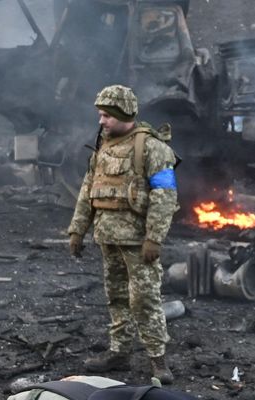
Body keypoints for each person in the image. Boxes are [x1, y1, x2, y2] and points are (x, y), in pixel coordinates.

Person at [67, 85, 180, 384]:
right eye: (100, 115)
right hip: (108, 237)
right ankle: (119, 352)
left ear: (124, 113)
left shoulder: (153, 148)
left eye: (107, 115)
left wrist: (154, 238)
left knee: (145, 299)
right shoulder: (103, 145)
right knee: (116, 297)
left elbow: (165, 195)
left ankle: (158, 360)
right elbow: (88, 189)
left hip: (138, 241)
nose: (101, 121)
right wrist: (77, 230)